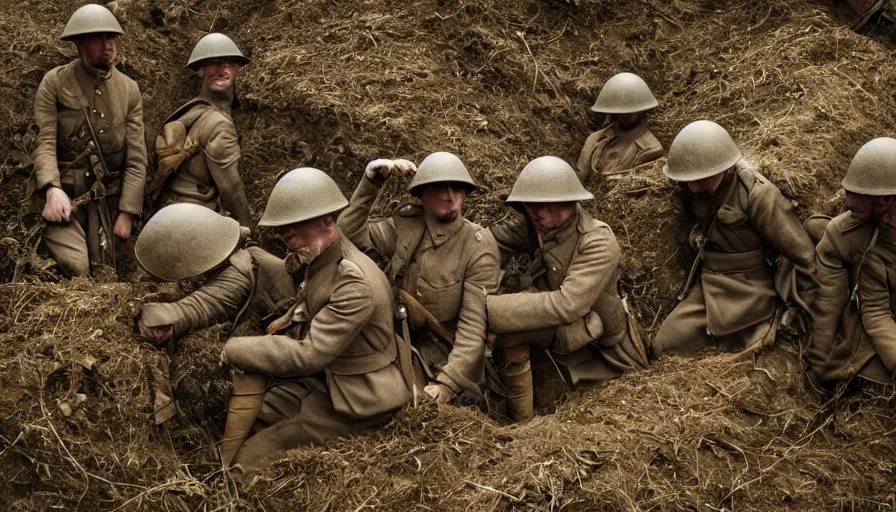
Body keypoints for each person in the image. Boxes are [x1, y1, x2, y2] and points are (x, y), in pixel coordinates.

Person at [217, 167, 411, 471]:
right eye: (283, 227)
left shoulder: (353, 282)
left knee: (249, 462)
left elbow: (309, 354)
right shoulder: (323, 256)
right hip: (329, 378)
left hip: (358, 398)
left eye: (296, 223)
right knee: (257, 413)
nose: (286, 234)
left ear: (328, 221)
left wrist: (236, 348)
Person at [487, 156, 649, 421]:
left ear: (571, 202)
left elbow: (567, 305)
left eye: (546, 204)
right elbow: (487, 243)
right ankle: (522, 424)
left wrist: (486, 308)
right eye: (530, 205)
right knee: (508, 339)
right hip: (558, 339)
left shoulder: (598, 241)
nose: (536, 212)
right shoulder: (534, 226)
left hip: (605, 352)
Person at [338, 152, 500, 405]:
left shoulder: (478, 245)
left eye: (457, 188)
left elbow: (472, 329)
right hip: (395, 337)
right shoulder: (406, 225)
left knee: (401, 402)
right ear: (422, 194)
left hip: (442, 354)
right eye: (438, 187)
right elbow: (346, 239)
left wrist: (447, 383)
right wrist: (371, 183)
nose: (449, 195)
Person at [652, 120, 816, 356]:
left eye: (699, 179)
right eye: (688, 180)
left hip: (755, 290)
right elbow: (700, 223)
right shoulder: (692, 187)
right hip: (711, 285)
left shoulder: (758, 195)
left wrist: (803, 312)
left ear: (721, 167)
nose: (692, 187)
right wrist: (697, 235)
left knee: (753, 354)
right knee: (664, 347)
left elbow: (805, 257)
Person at [32, 4, 147, 276]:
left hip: (106, 198)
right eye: (97, 38)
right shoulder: (55, 83)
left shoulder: (129, 89)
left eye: (111, 37)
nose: (107, 45)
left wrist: (127, 211)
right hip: (66, 196)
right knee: (76, 268)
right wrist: (51, 188)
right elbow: (44, 140)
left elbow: (136, 157)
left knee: (105, 270)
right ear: (79, 43)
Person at [806, 137, 896, 388]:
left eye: (857, 195)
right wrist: (818, 364)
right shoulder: (847, 237)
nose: (847, 201)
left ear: (885, 200)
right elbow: (831, 304)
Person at [149, 33, 252, 227]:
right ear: (200, 70)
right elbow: (232, 190)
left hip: (164, 214)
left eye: (228, 62)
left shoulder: (189, 111)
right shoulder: (219, 125)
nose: (221, 69)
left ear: (238, 68)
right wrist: (248, 229)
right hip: (193, 222)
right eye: (212, 63)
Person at [575, 72, 664, 186]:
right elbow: (579, 179)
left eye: (630, 112)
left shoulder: (651, 149)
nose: (624, 116)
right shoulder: (595, 139)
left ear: (642, 110)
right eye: (619, 112)